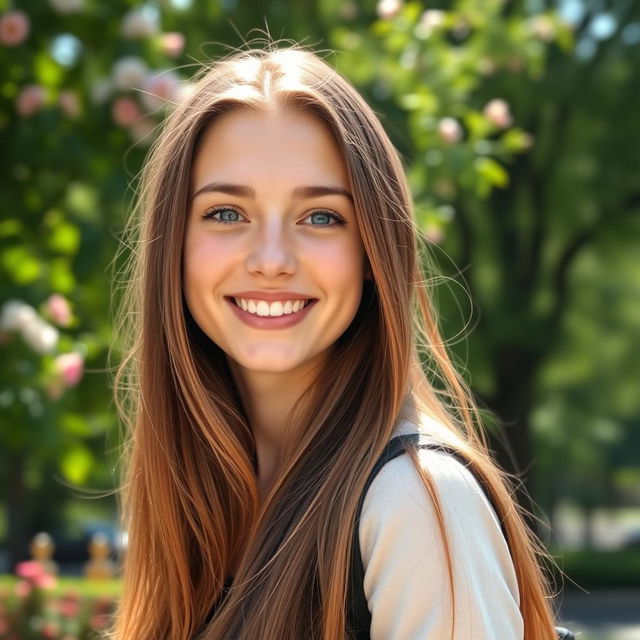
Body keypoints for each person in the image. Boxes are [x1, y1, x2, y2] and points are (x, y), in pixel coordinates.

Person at [110, 43, 561, 639]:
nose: (271, 260)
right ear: (174, 245)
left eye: (320, 217)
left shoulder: (418, 501)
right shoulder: (203, 503)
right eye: (225, 213)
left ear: (372, 251)